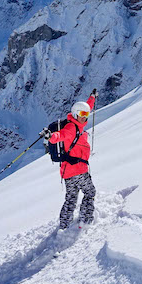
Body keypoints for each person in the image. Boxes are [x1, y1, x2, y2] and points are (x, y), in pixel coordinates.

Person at [45, 89, 96, 229]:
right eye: (82, 114)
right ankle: (85, 220)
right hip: (78, 170)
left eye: (86, 115)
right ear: (75, 114)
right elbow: (60, 135)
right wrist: (51, 137)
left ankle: (64, 223)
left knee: (71, 198)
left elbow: (87, 108)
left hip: (68, 171)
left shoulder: (78, 124)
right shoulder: (72, 128)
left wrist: (92, 98)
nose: (85, 117)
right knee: (90, 192)